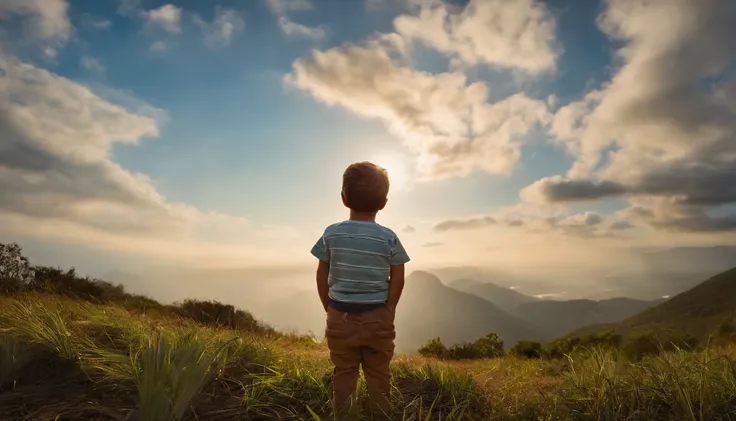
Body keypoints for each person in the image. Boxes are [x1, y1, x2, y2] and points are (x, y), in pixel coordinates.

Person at [310, 161, 410, 419]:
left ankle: (345, 415)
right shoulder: (388, 237)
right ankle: (381, 415)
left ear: (344, 198)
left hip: (339, 317)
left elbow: (322, 274)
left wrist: (329, 306)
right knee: (379, 373)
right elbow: (398, 274)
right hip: (378, 316)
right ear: (384, 202)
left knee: (344, 372)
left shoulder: (331, 234)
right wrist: (389, 308)